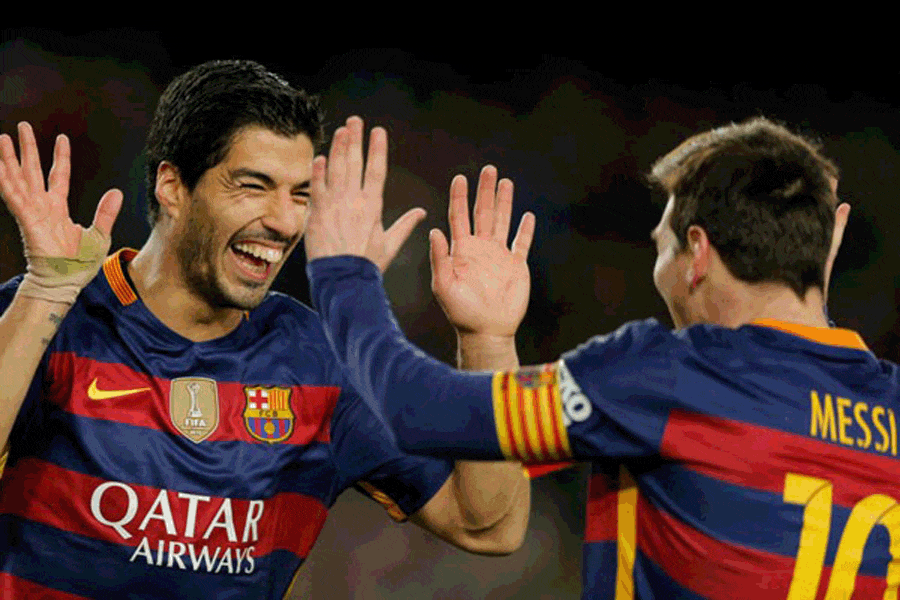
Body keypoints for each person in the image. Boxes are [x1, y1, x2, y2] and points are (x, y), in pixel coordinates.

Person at [303, 115, 900, 599]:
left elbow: (415, 409)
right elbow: (485, 513)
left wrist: (343, 275)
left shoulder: (671, 377)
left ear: (697, 253)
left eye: (662, 247)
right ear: (822, 253)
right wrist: (488, 339)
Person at [0, 60, 530, 599]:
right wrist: (46, 290)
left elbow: (489, 526)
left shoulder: (320, 362)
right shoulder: (49, 315)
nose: (284, 221)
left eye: (301, 195)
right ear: (173, 186)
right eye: (253, 186)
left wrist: (488, 342)